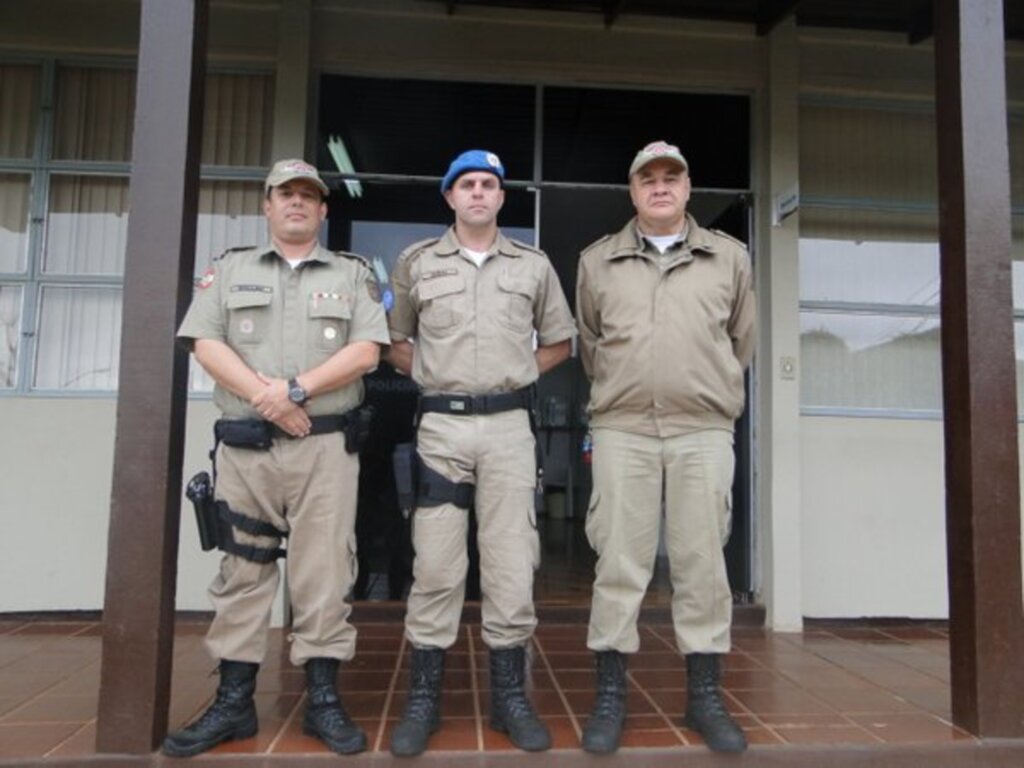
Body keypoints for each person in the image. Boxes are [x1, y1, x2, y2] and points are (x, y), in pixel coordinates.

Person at [164, 159, 390, 758]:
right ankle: (234, 704)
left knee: (324, 573)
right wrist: (270, 402)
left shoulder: (351, 273)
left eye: (308, 196)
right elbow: (205, 343)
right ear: (267, 206)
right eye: (284, 194)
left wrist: (293, 391)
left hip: (324, 449)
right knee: (242, 573)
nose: (296, 203)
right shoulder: (229, 269)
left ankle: (322, 701)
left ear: (322, 210)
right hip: (247, 450)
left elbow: (367, 350)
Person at [386, 149, 575, 756]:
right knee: (437, 566)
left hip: (509, 431)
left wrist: (516, 372)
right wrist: (436, 376)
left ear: (501, 197)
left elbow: (561, 342)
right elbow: (393, 341)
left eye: (488, 184)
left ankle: (510, 699)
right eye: (466, 184)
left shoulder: (534, 266)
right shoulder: (416, 263)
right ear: (449, 196)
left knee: (511, 564)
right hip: (441, 429)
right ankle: (423, 700)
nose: (477, 193)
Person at [575, 141, 756, 754]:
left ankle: (704, 696)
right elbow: (590, 343)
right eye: (647, 179)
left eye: (670, 178)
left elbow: (741, 341)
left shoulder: (729, 258)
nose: (659, 187)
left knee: (703, 564)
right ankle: (610, 696)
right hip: (622, 427)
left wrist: (703, 388)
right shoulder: (597, 262)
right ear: (632, 192)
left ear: (687, 188)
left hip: (701, 429)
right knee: (619, 562)